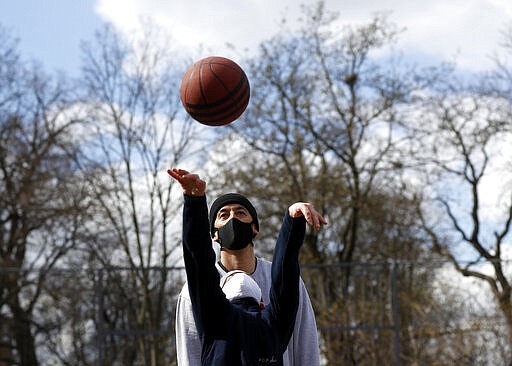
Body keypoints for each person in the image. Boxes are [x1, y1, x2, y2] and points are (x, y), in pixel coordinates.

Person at [169, 168, 326, 365]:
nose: (233, 218)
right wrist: (292, 223)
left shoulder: (279, 278)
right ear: (214, 234)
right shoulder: (194, 293)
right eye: (223, 215)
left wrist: (194, 203)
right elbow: (190, 355)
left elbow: (306, 346)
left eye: (241, 213)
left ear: (255, 228)